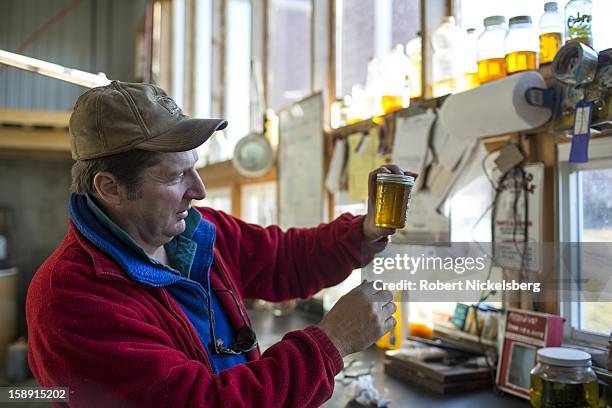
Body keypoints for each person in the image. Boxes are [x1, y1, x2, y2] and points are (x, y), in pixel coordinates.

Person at [26, 81, 413, 407]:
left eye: (195, 167)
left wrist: (361, 233)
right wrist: (331, 342)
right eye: (177, 176)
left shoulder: (196, 231)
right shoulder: (71, 300)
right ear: (110, 188)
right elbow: (204, 402)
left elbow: (283, 260)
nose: (200, 190)